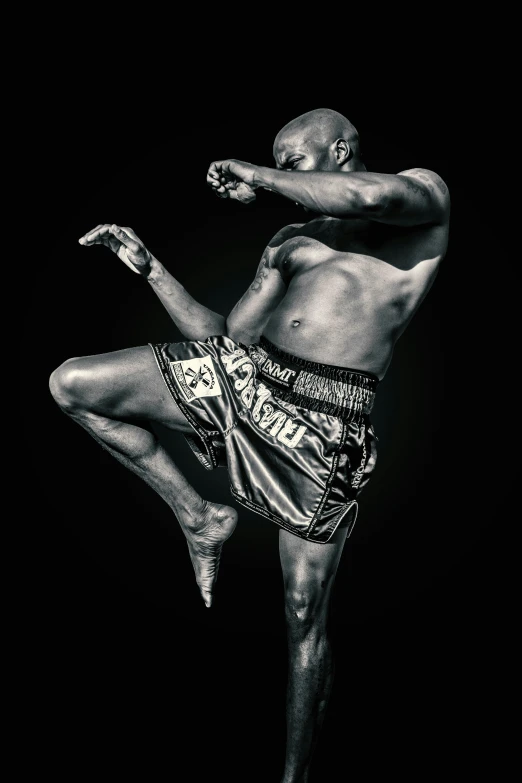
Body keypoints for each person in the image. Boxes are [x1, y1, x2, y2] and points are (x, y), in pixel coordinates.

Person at [49, 108, 450, 783]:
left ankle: (293, 777)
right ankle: (199, 516)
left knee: (302, 611)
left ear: (339, 150)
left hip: (326, 420)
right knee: (71, 383)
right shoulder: (290, 239)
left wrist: (258, 176)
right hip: (250, 381)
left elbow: (368, 196)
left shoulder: (419, 197)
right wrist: (151, 270)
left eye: (291, 162)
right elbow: (228, 336)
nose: (281, 177)